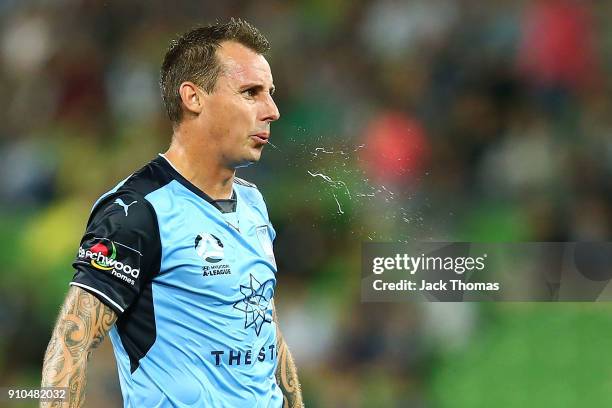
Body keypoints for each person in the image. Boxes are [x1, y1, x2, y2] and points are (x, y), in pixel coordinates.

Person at [41, 18, 303, 408]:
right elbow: (71, 342)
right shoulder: (138, 212)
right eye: (251, 92)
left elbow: (262, 326)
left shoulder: (253, 204)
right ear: (193, 98)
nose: (272, 111)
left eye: (270, 93)